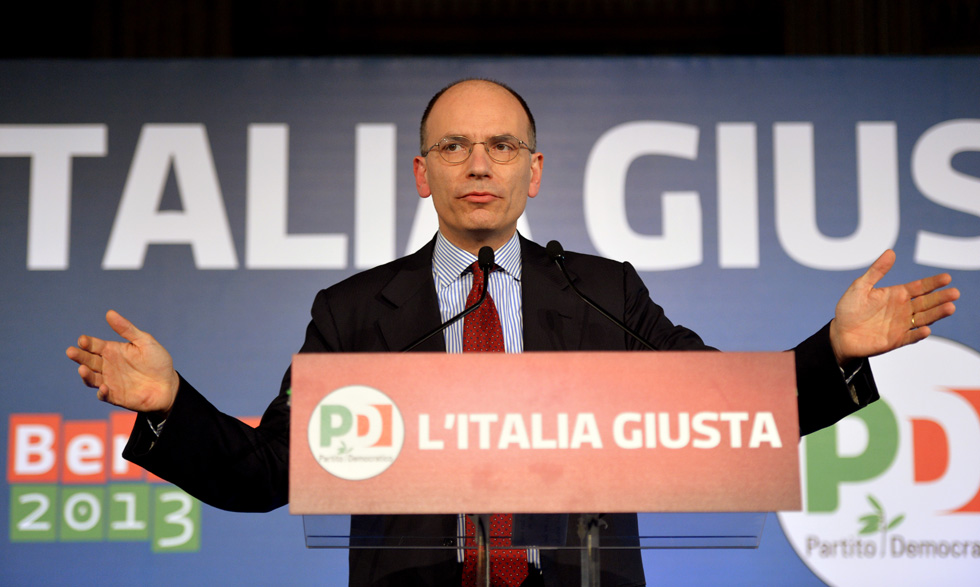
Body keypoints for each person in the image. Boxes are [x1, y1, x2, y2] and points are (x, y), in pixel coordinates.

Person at [67, 79, 959, 587]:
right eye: (453, 147)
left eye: (500, 146)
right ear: (422, 173)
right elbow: (271, 471)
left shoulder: (603, 293)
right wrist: (171, 402)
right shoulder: (354, 311)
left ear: (534, 171)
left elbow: (724, 413)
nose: (478, 164)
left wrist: (833, 350)